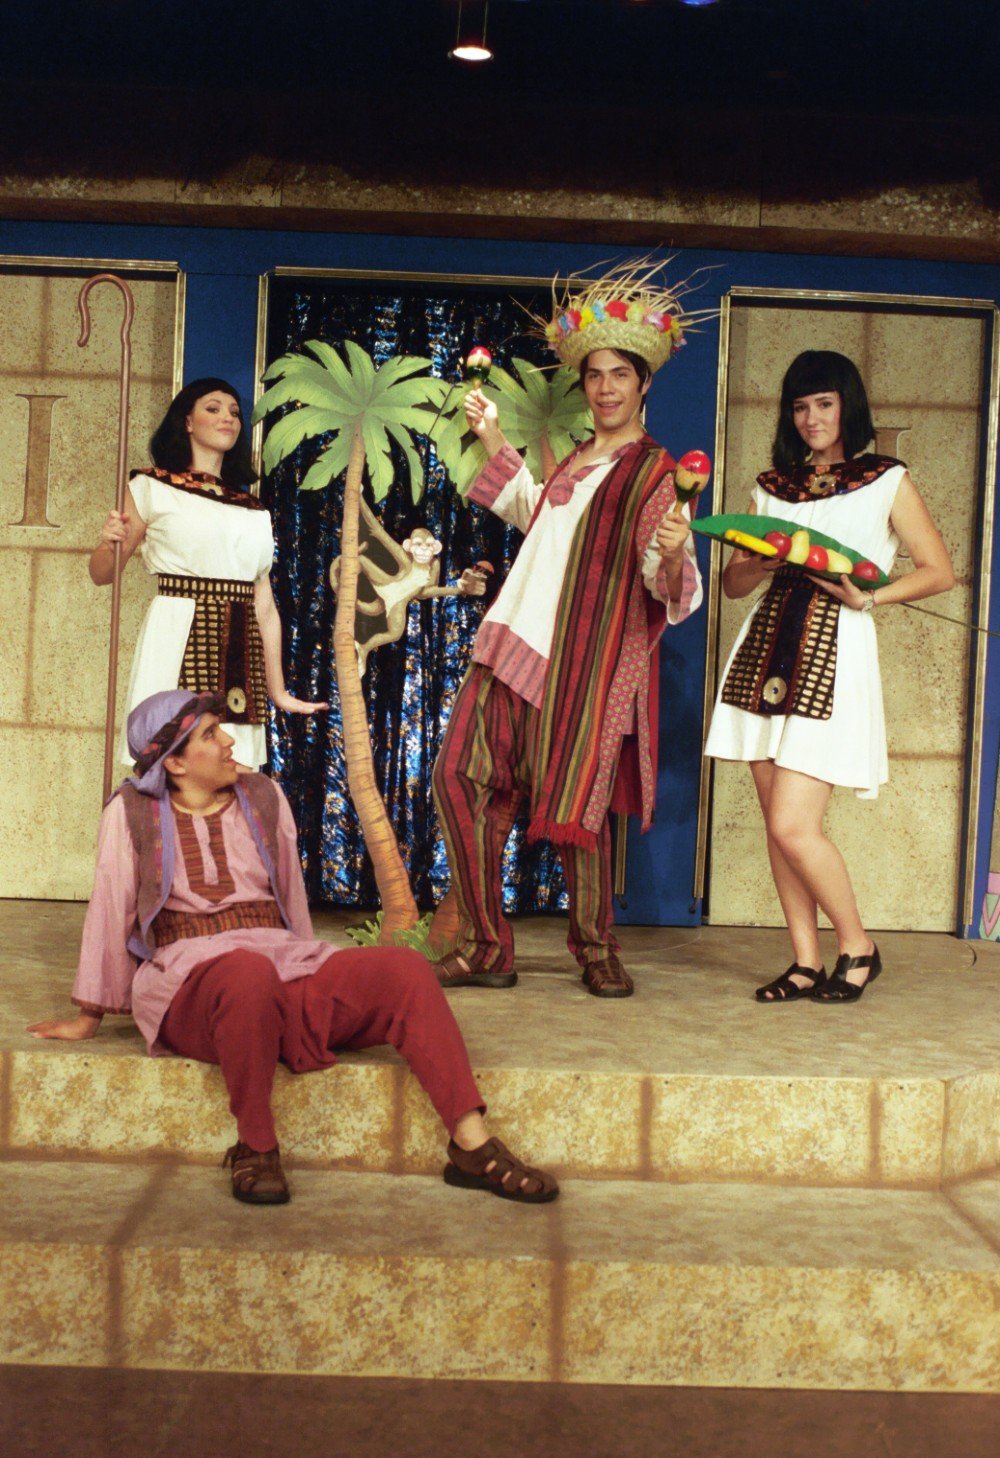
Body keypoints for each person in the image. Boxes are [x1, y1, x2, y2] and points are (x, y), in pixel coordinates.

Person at [27, 689, 558, 1208]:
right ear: (175, 762)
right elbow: (110, 909)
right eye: (210, 735)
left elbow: (291, 899)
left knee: (404, 969)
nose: (229, 742)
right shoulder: (130, 813)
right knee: (245, 974)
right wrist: (90, 1014)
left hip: (277, 964)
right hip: (188, 983)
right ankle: (256, 1146)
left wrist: (310, 978)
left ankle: (471, 1145)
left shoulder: (262, 796)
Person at [431, 260, 704, 999]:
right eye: (595, 376)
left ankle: (595, 947)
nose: (606, 387)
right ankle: (487, 945)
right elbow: (539, 518)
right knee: (460, 778)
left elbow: (669, 585)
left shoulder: (655, 474)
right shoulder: (576, 459)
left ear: (644, 384)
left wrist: (671, 552)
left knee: (575, 805)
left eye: (620, 375)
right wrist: (491, 435)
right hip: (512, 642)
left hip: (582, 660)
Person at [705, 350, 955, 1003]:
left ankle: (858, 945)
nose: (811, 417)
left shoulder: (885, 479)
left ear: (847, 406)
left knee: (795, 824)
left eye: (824, 403)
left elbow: (939, 570)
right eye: (800, 406)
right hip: (763, 649)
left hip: (834, 648)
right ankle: (804, 961)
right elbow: (733, 585)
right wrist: (757, 563)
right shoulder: (773, 487)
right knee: (775, 823)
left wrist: (871, 598)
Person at [89, 378, 325, 770]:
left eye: (234, 412)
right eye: (213, 408)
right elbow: (103, 574)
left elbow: (265, 609)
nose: (227, 418)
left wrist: (278, 691)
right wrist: (106, 542)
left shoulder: (252, 509)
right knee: (173, 762)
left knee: (235, 768)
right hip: (177, 632)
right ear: (187, 422)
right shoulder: (151, 487)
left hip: (238, 643)